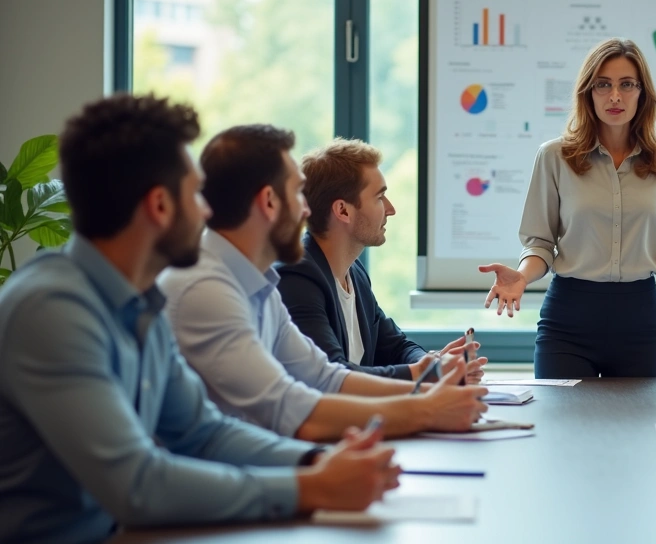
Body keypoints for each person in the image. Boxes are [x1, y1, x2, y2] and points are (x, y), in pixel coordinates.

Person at [0, 95, 400, 542]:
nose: (209, 212)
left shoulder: (142, 303)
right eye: (195, 194)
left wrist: (315, 463)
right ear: (160, 206)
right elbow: (138, 484)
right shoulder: (52, 310)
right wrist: (309, 486)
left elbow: (202, 432)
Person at [159, 125, 487, 442]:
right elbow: (294, 408)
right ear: (269, 201)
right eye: (295, 194)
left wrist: (430, 386)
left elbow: (324, 377)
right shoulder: (207, 288)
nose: (305, 209)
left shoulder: (259, 284)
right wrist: (426, 406)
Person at [478, 38, 656, 378]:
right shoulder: (554, 157)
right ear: (587, 93)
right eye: (603, 85)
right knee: (561, 429)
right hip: (568, 319)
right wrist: (522, 276)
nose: (614, 96)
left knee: (638, 429)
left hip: (639, 320)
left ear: (642, 93)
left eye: (627, 85)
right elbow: (540, 243)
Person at [277, 138, 488, 383]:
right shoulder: (297, 277)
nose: (390, 209)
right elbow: (333, 374)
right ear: (343, 210)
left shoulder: (354, 272)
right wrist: (427, 374)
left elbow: (394, 345)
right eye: (379, 197)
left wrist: (433, 362)